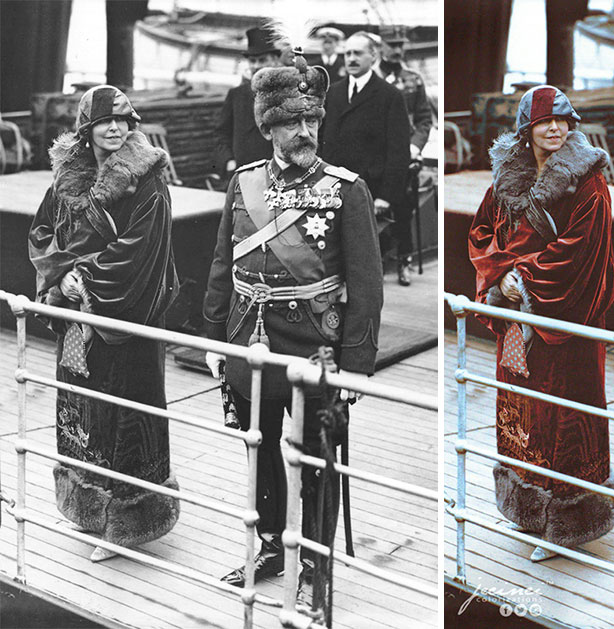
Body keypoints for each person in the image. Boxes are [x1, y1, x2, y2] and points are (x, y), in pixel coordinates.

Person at [202, 51, 383, 615]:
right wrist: (214, 339)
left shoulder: (346, 189)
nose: (303, 132)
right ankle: (270, 547)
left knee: (314, 460)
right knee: (259, 454)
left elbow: (368, 285)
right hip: (247, 340)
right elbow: (220, 265)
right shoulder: (243, 183)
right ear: (268, 128)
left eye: (310, 120)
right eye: (289, 123)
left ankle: (314, 567)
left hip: (315, 347)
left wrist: (354, 364)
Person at [468, 85, 614, 563]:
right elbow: (482, 231)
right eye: (544, 122)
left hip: (562, 321)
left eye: (562, 120)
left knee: (562, 416)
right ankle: (528, 509)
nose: (555, 129)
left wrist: (523, 277)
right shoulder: (507, 179)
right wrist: (500, 276)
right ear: (526, 129)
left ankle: (566, 523)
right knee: (521, 409)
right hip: (517, 317)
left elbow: (582, 251)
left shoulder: (589, 182)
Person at [28, 85, 180, 563]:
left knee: (123, 415)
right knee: (82, 412)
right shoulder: (67, 179)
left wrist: (85, 278)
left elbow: (143, 250)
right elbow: (43, 232)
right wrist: (61, 276)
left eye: (122, 120)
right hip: (78, 316)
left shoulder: (148, 179)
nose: (115, 129)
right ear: (86, 129)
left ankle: (128, 523)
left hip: (121, 317)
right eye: (104, 122)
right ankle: (90, 510)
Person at [319, 31, 410, 272]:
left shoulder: (390, 96)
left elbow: (398, 150)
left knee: (363, 260)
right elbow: (321, 140)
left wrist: (387, 195)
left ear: (373, 55)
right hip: (332, 187)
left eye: (357, 53)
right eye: (347, 53)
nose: (351, 59)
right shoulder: (333, 93)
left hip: (370, 188)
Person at [375, 25, 435, 286]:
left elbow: (424, 120)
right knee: (368, 213)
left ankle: (404, 262)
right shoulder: (371, 77)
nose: (397, 50)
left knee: (403, 212)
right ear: (381, 47)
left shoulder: (414, 79)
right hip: (375, 158)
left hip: (405, 158)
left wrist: (414, 147)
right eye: (392, 45)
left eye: (400, 45)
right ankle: (373, 262)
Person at [214, 26, 282, 181]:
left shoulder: (285, 93)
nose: (257, 66)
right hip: (242, 174)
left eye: (262, 60)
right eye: (253, 61)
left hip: (278, 175)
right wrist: (228, 161)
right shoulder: (236, 95)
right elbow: (221, 133)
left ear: (275, 61)